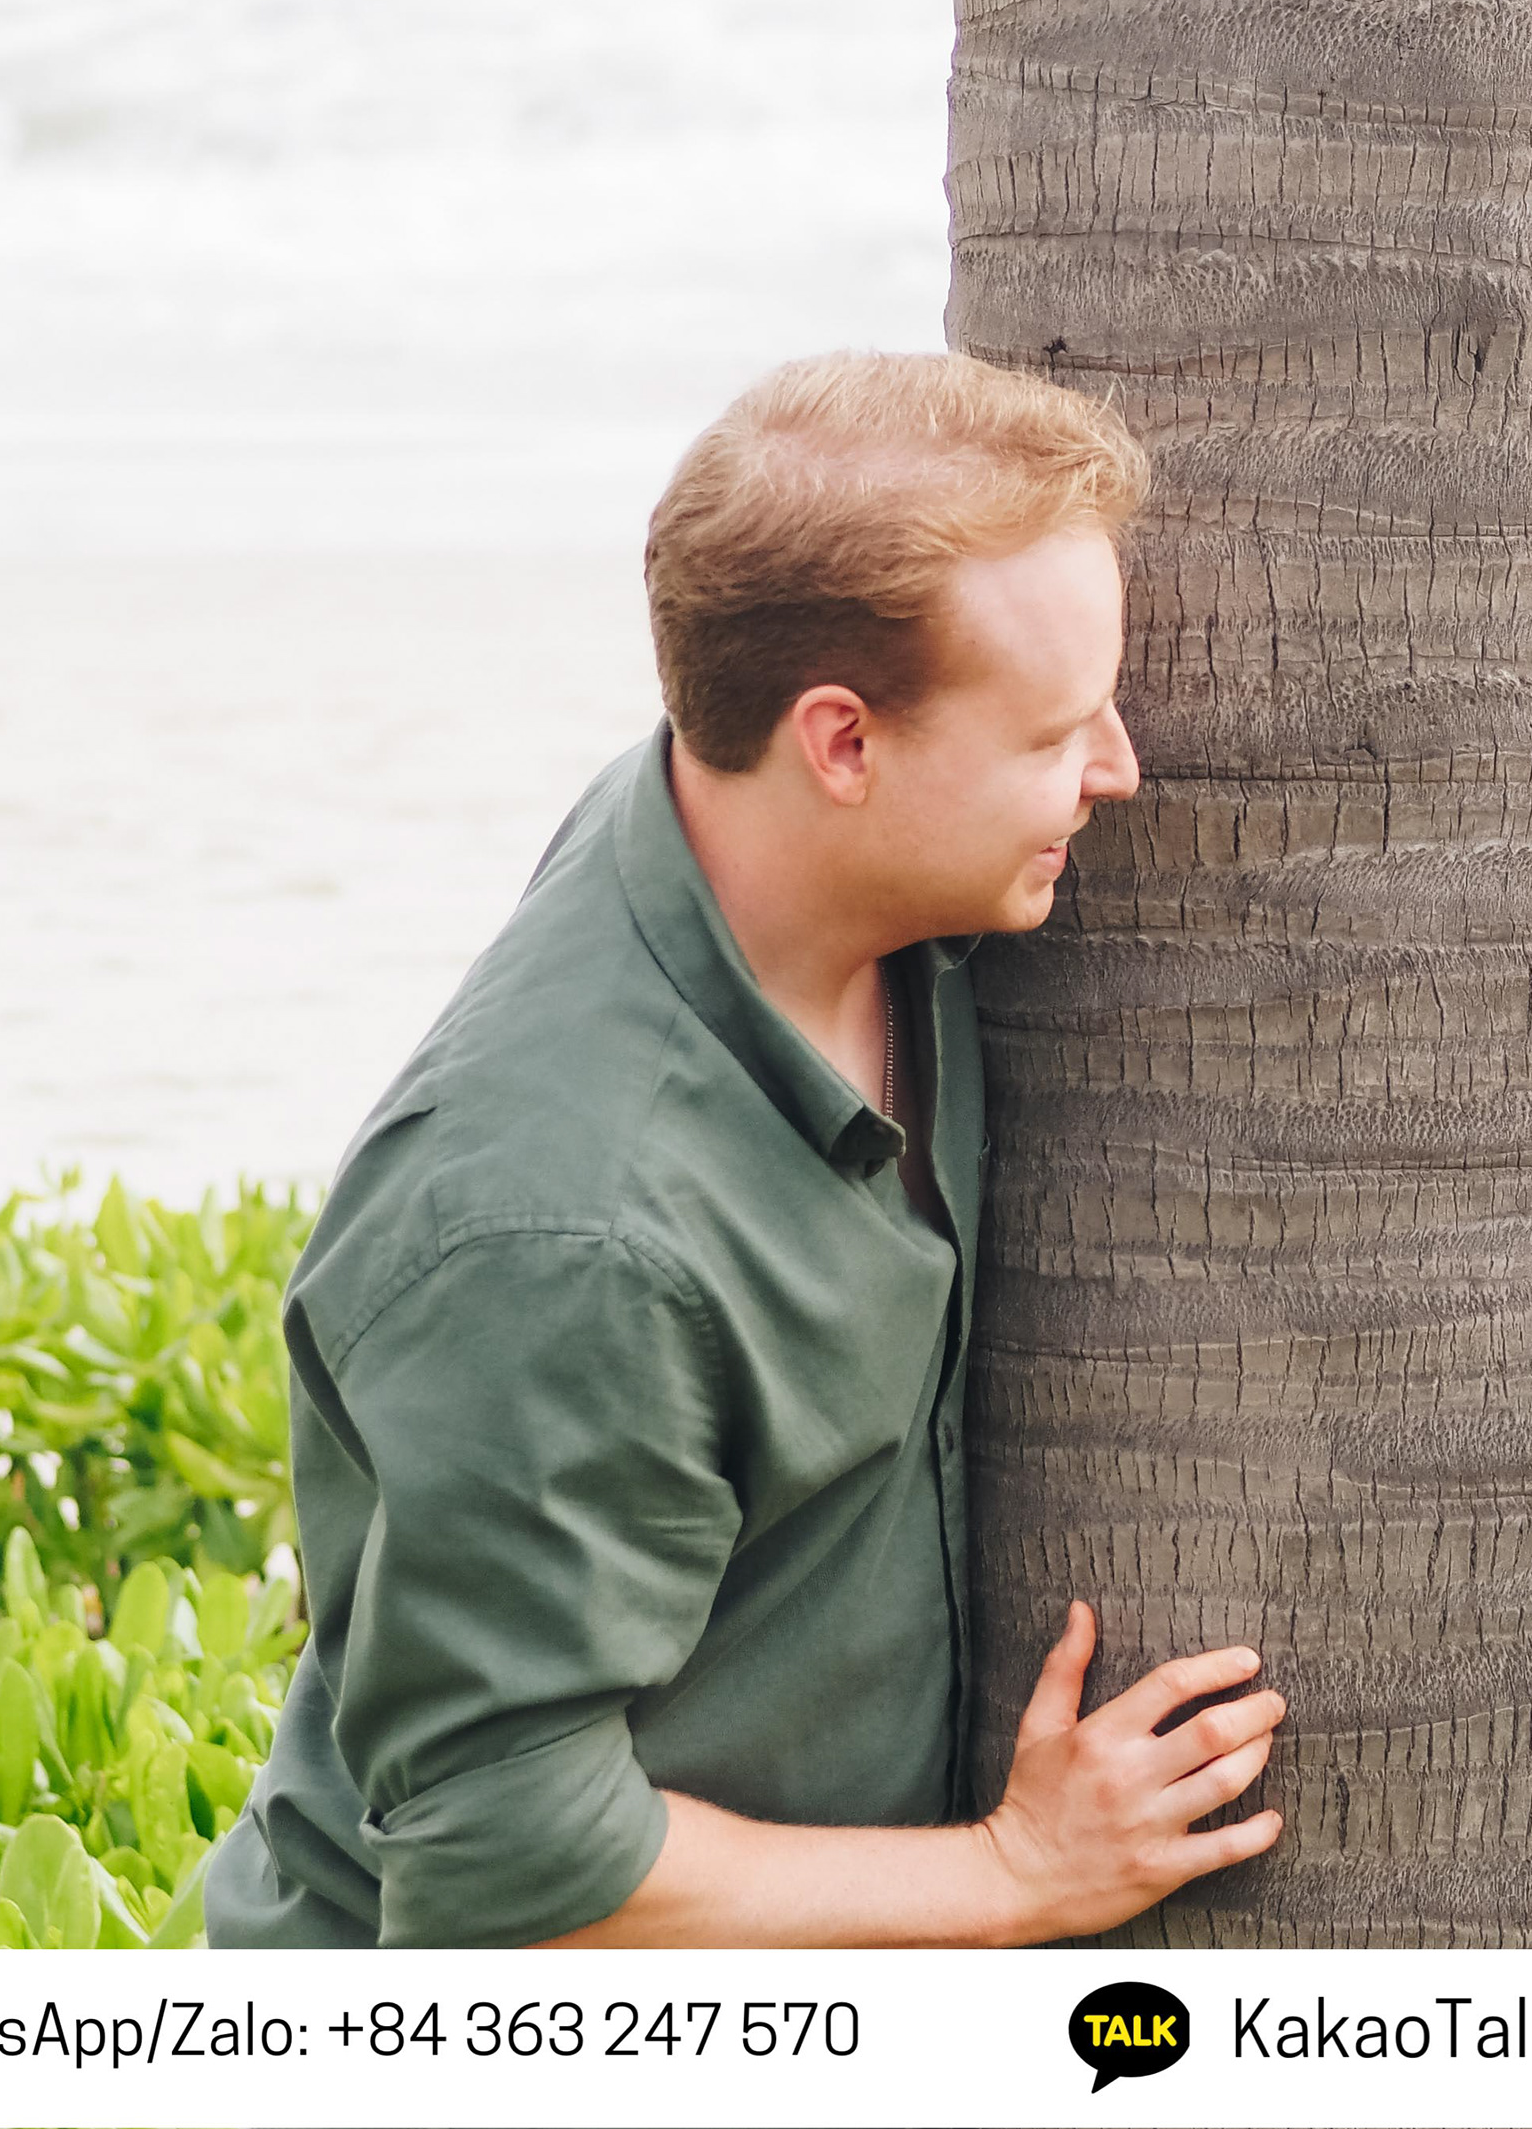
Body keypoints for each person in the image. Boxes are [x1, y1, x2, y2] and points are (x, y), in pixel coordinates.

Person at [204, 351, 1285, 1948]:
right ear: (840, 745)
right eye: (1058, 731)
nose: (1117, 768)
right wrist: (1013, 1876)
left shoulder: (780, 852)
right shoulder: (557, 1237)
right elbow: (510, 1863)